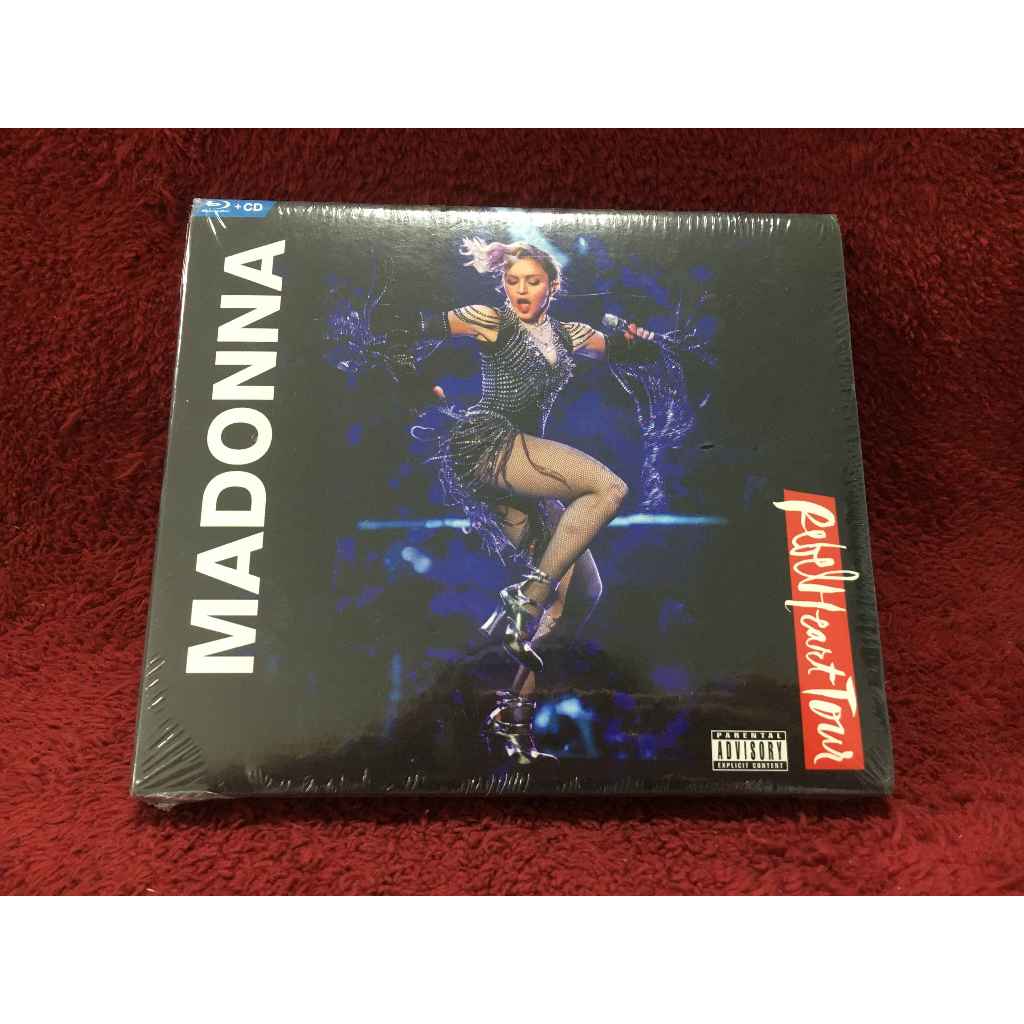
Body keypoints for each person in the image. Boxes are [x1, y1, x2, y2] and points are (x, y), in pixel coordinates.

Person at [335, 237, 695, 766]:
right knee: (609, 488)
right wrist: (417, 387)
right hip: (488, 443)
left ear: (554, 286)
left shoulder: (572, 336)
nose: (521, 290)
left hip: (521, 465)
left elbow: (632, 353)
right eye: (512, 281)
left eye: (532, 281)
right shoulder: (489, 321)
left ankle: (514, 719)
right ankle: (528, 594)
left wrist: (643, 339)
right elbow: (396, 334)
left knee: (583, 593)